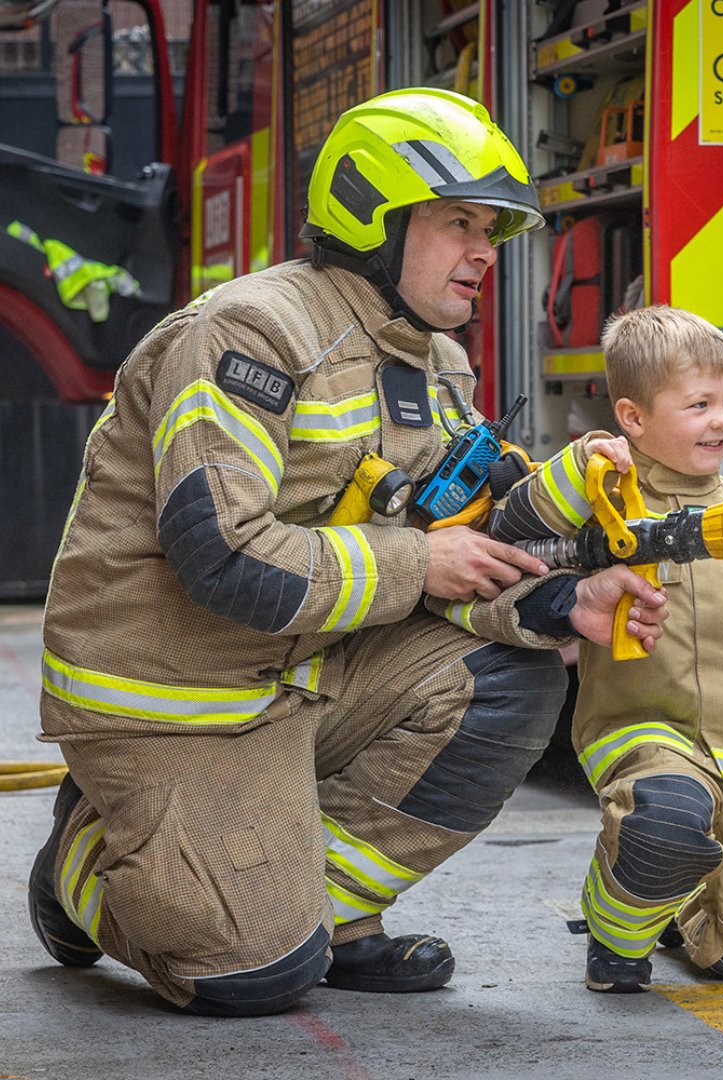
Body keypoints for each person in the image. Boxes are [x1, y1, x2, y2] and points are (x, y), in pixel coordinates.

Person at [26, 88, 668, 1017]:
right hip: (178, 699)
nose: (487, 251)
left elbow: (456, 538)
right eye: (460, 222)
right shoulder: (247, 334)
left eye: (491, 228)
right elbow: (225, 557)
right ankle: (83, 865)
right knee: (250, 976)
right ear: (375, 213)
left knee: (510, 673)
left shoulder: (437, 362)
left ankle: (335, 917)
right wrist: (422, 564)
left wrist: (565, 599)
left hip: (302, 668)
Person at [488, 305, 723, 993]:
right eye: (699, 404)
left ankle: (678, 905)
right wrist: (584, 462)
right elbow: (519, 524)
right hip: (647, 732)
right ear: (633, 417)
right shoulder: (608, 504)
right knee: (667, 819)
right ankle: (616, 934)